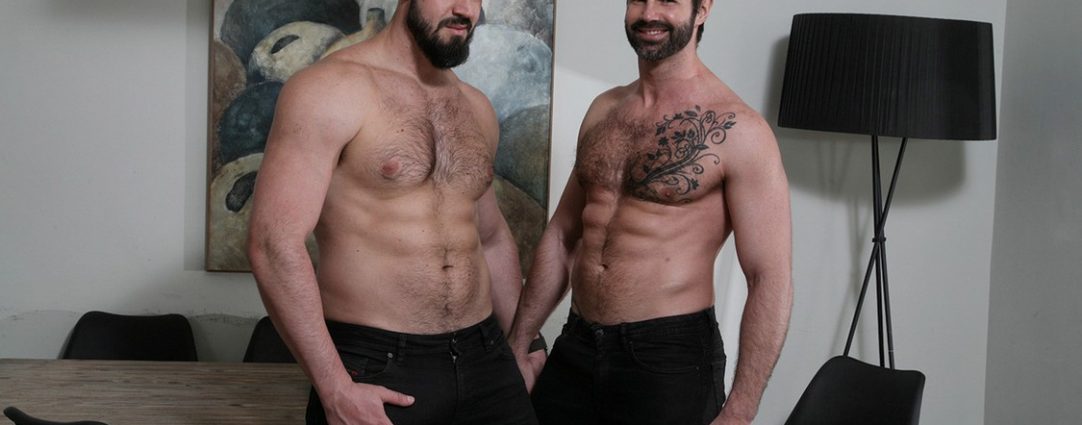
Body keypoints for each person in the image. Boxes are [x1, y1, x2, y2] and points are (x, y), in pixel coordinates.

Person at [246, 1, 541, 424]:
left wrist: (524, 344)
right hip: (378, 364)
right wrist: (334, 387)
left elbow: (491, 238)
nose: (466, 10)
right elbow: (274, 243)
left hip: (487, 358)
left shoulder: (475, 107)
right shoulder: (329, 89)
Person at [507, 0, 793, 424]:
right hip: (578, 344)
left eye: (668, 1)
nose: (648, 13)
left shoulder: (740, 130)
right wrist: (518, 343)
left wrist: (740, 410)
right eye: (637, 0)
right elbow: (564, 234)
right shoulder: (605, 110)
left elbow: (768, 277)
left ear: (702, 9)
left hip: (669, 359)